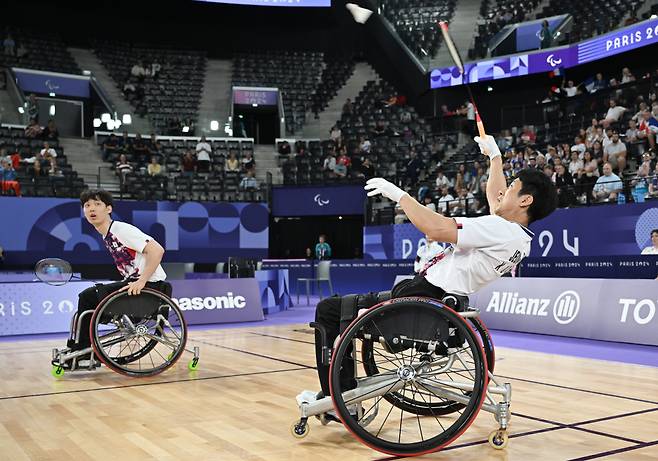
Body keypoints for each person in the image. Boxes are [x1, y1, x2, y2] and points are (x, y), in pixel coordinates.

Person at [305, 134, 557, 406]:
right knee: (343, 308)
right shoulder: (518, 238)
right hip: (434, 298)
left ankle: (336, 399)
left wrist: (399, 195)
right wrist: (495, 158)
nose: (503, 190)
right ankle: (343, 393)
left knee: (328, 310)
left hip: (422, 297)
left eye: (511, 188)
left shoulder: (501, 230)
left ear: (525, 200)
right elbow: (496, 200)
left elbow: (435, 228)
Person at [62, 190, 168, 364]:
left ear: (108, 209)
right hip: (134, 284)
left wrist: (142, 280)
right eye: (87, 205)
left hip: (148, 286)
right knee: (90, 296)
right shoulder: (107, 235)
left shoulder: (121, 229)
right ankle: (82, 348)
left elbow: (157, 250)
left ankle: (83, 350)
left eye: (97, 204)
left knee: (88, 296)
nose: (91, 209)